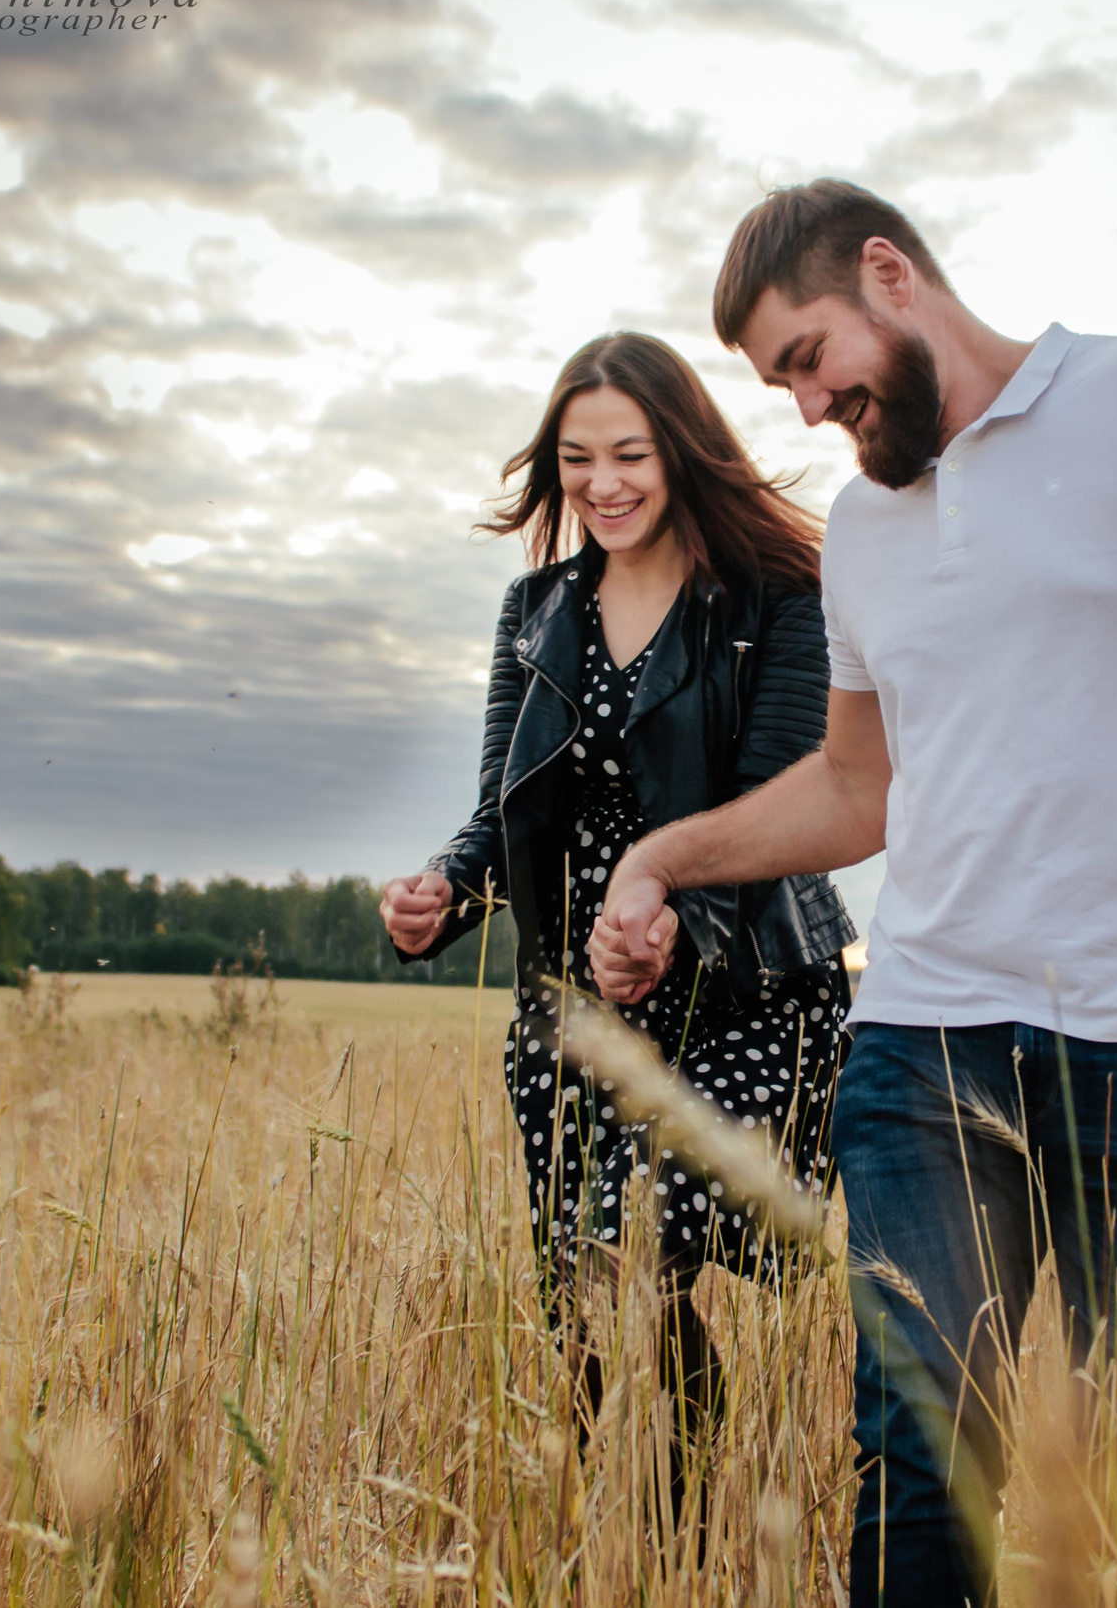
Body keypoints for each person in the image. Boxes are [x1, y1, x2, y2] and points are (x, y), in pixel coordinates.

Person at [590, 181, 1117, 1603]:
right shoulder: (867, 528)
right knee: (918, 1459)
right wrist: (661, 856)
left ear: (890, 275)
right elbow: (856, 787)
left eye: (807, 358)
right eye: (778, 382)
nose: (805, 404)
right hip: (926, 1040)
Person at [380, 330, 856, 1520]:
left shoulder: (777, 599)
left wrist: (665, 925)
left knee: (626, 1243)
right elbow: (504, 809)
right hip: (573, 1010)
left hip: (748, 989)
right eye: (578, 458)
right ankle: (646, 1536)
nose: (604, 483)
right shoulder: (535, 610)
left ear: (683, 450)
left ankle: (677, 1524)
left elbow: (786, 804)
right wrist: (440, 889)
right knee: (583, 1300)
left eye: (631, 454)